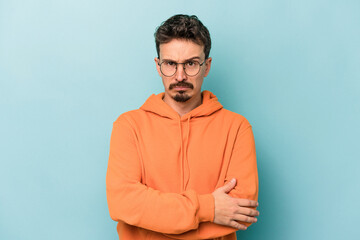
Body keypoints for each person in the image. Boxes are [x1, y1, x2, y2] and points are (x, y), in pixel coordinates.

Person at [106, 14, 259, 240]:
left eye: (191, 64)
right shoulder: (129, 126)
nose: (180, 76)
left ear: (206, 66)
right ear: (158, 66)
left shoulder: (237, 128)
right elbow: (123, 203)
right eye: (170, 64)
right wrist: (210, 209)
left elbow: (240, 213)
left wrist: (151, 221)